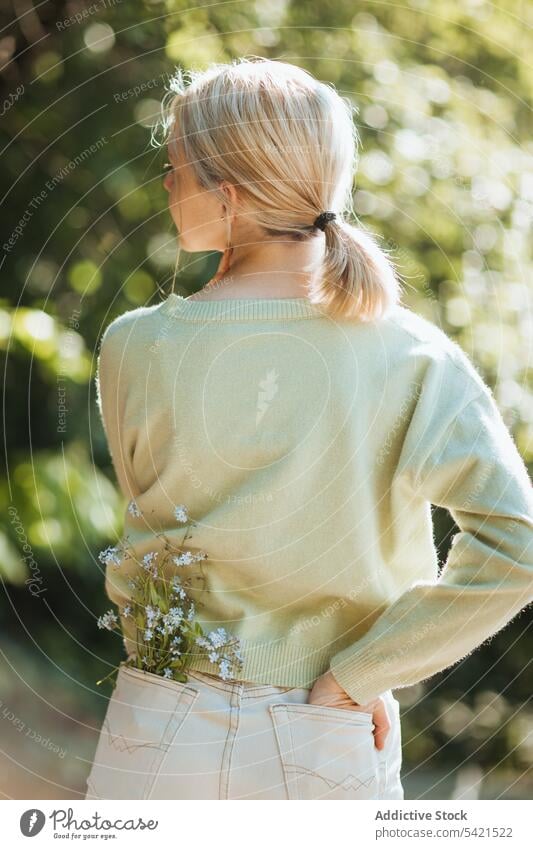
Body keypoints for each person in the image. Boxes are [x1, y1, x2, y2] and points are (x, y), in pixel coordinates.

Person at [85, 57, 533, 801]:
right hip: (324, 733)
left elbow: (157, 520)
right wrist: (362, 674)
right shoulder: (413, 354)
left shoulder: (132, 346)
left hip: (155, 718)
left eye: (176, 168)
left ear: (226, 198)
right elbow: (515, 546)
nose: (166, 182)